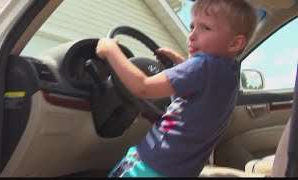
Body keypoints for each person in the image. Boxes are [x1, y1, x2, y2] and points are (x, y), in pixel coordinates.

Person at [95, 0, 258, 177]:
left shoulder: (202, 65)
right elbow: (195, 95)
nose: (192, 36)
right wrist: (181, 64)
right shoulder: (228, 73)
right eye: (192, 26)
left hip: (151, 165)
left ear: (235, 43)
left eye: (205, 28)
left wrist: (111, 50)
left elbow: (142, 87)